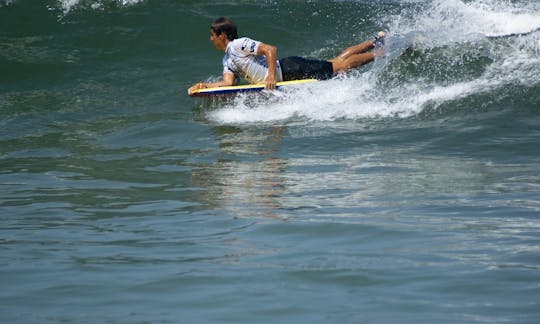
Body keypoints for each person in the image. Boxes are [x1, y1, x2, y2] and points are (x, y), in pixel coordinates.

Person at [188, 16, 385, 95]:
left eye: (212, 35)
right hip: (288, 72)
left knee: (339, 67)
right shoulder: (227, 59)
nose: (210, 39)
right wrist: (205, 86)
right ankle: (374, 41)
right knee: (336, 63)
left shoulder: (239, 45)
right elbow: (228, 83)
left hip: (290, 69)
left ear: (222, 35)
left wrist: (271, 76)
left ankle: (380, 52)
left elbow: (270, 49)